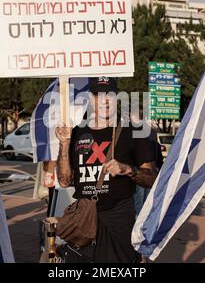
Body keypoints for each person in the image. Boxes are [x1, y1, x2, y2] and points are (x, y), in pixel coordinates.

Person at [55, 77, 157, 263]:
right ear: (90, 98)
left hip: (117, 219)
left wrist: (128, 169)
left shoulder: (131, 131)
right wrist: (64, 144)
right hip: (83, 219)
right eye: (97, 95)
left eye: (109, 95)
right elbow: (64, 180)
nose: (104, 100)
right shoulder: (77, 132)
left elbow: (152, 178)